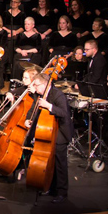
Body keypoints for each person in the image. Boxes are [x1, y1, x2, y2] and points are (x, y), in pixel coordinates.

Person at [25, 73, 74, 203]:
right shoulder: (40, 94)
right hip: (48, 130)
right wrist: (28, 120)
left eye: (36, 85)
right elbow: (32, 109)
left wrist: (49, 106)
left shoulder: (57, 95)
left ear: (45, 84)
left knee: (59, 163)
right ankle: (51, 189)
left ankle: (62, 192)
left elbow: (64, 113)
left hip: (61, 132)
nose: (35, 88)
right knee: (50, 162)